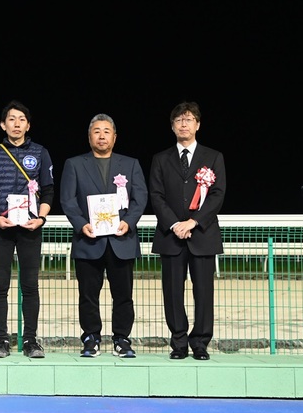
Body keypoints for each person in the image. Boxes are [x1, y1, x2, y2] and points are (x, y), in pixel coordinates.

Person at [60, 114, 148, 358]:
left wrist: (129, 222)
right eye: (96, 131)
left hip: (122, 240)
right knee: (88, 295)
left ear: (114, 137)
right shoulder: (74, 164)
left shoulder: (130, 164)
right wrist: (81, 225)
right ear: (89, 137)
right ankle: (91, 337)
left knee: (124, 295)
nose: (101, 136)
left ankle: (122, 338)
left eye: (106, 131)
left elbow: (140, 198)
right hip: (88, 240)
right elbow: (67, 200)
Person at [149, 101, 226, 361]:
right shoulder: (160, 159)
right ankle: (179, 342)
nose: (184, 124)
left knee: (203, 292)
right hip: (171, 236)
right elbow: (156, 196)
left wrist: (193, 222)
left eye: (189, 119)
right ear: (172, 126)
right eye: (179, 120)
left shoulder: (213, 157)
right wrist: (175, 224)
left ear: (198, 125)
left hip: (202, 235)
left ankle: (200, 343)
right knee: (172, 293)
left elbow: (217, 195)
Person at [0, 99, 54, 358]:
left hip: (30, 227)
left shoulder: (41, 153)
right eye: (11, 119)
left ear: (28, 125)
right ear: (3, 124)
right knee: (0, 285)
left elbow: (48, 190)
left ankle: (31, 341)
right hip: (1, 227)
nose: (17, 124)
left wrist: (41, 218)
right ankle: (1, 340)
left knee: (30, 285)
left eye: (22, 119)